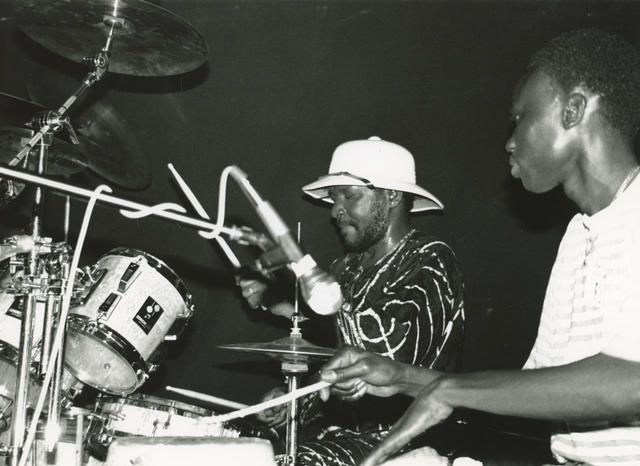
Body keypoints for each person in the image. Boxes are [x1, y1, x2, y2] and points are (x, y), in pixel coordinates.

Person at [318, 28, 640, 466]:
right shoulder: (577, 236)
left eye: (521, 116)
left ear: (573, 110)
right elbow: (539, 388)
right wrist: (403, 377)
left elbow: (630, 382)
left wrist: (450, 389)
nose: (510, 141)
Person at [238, 136, 465, 466]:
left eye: (349, 195)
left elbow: (387, 352)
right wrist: (293, 404)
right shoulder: (345, 267)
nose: (335, 210)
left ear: (391, 196)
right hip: (335, 437)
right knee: (240, 448)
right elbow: (337, 359)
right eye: (334, 198)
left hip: (402, 440)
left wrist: (298, 286)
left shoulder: (430, 260)